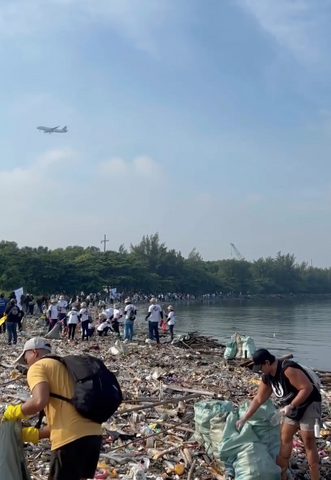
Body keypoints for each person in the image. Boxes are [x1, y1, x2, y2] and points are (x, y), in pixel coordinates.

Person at [2, 337, 102, 480]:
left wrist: (14, 411)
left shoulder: (38, 366)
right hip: (94, 437)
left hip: (69, 441)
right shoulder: (66, 367)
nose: (27, 364)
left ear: (34, 352)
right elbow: (69, 419)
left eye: (26, 359)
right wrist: (33, 434)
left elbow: (39, 401)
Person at [236, 348, 321, 480]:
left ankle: (315, 476)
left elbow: (307, 388)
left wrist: (291, 405)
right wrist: (244, 418)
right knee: (284, 438)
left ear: (267, 362)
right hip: (290, 407)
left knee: (308, 440)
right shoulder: (267, 378)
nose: (260, 370)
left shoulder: (287, 369)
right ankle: (282, 474)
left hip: (309, 403)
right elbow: (258, 399)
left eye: (261, 367)